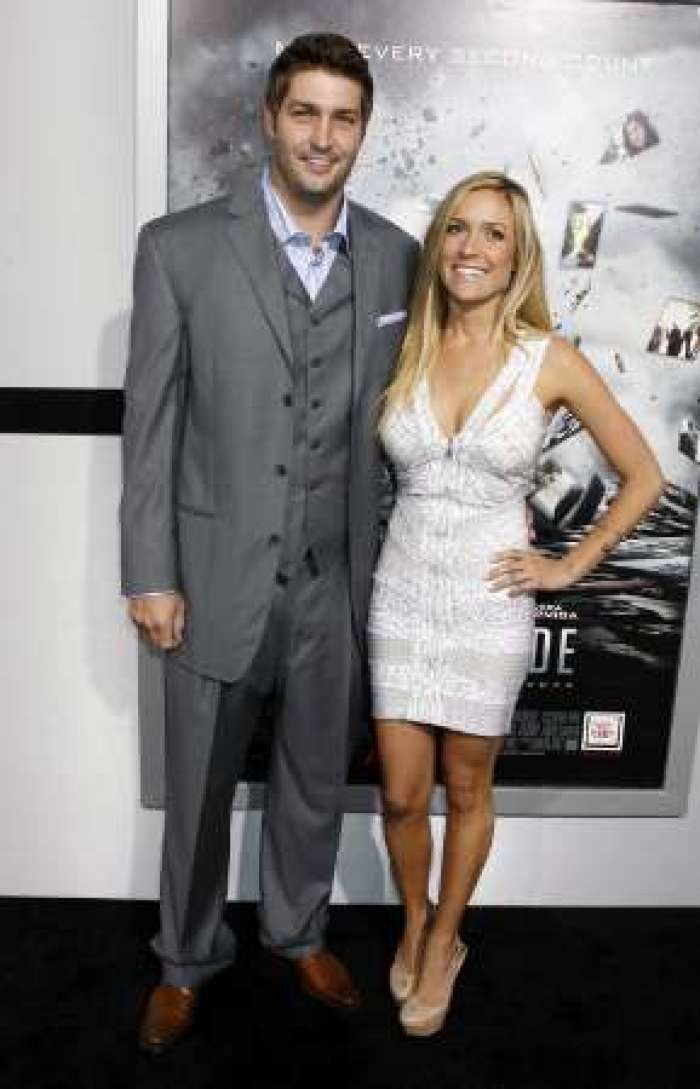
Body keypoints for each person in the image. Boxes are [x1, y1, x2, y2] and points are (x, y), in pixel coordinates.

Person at [121, 32, 419, 1052]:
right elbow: (150, 429)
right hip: (210, 576)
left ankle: (298, 931)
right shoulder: (180, 248)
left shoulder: (393, 255)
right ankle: (185, 957)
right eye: (305, 113)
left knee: (311, 778)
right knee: (199, 788)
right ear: (268, 119)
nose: (322, 137)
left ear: (362, 131)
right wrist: (150, 571)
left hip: (333, 580)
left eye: (343, 117)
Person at [367, 171, 663, 1037]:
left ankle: (446, 939)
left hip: (490, 601)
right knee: (398, 794)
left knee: (466, 786)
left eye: (494, 234)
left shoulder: (550, 359)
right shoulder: (406, 342)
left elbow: (646, 476)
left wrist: (573, 564)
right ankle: (413, 917)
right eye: (458, 228)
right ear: (440, 244)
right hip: (402, 593)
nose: (472, 248)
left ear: (519, 255)